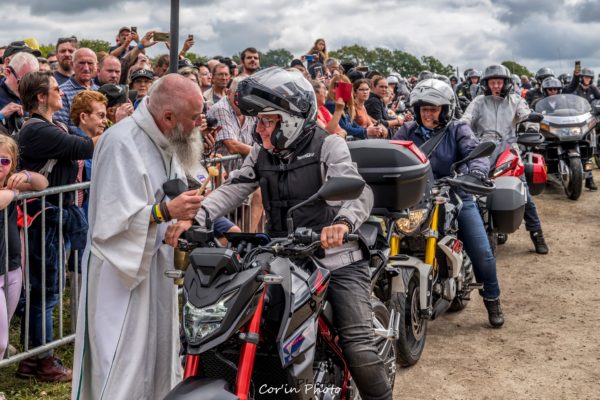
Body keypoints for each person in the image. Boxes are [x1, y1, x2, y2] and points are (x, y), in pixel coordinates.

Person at [165, 66, 392, 400]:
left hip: (335, 258)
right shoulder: (261, 154)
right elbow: (233, 189)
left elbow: (359, 192)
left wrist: (342, 224)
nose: (258, 129)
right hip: (282, 258)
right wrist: (194, 218)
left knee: (358, 346)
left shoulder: (329, 145)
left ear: (291, 120)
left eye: (267, 121)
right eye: (258, 121)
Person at [71, 74, 205, 399]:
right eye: (194, 117)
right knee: (123, 359)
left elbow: (172, 188)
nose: (199, 124)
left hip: (154, 262)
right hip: (121, 273)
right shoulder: (121, 143)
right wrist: (166, 212)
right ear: (169, 117)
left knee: (158, 354)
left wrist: (183, 213)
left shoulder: (167, 138)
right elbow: (110, 222)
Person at [393, 78, 504, 328]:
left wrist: (476, 172)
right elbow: (393, 153)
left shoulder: (457, 129)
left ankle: (492, 299)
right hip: (416, 197)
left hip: (454, 193)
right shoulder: (408, 131)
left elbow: (474, 152)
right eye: (424, 109)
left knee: (482, 253)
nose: (428, 114)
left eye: (433, 109)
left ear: (446, 109)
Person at [16, 71, 95, 382]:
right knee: (46, 292)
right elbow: (85, 147)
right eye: (54, 89)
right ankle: (44, 361)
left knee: (45, 290)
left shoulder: (48, 126)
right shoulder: (37, 130)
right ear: (40, 97)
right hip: (43, 219)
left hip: (52, 216)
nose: (60, 93)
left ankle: (31, 360)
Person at [462, 64, 549, 255]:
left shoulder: (516, 100)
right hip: (482, 154)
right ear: (486, 84)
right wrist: (460, 129)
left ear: (506, 83)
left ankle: (537, 234)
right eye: (492, 82)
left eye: (499, 82)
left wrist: (531, 124)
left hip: (508, 154)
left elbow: (525, 115)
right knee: (471, 195)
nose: (496, 86)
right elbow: (466, 119)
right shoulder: (478, 102)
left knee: (524, 195)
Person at [0, 135, 48, 367]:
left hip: (12, 267)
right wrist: (14, 194)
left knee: (5, 326)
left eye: (5, 161)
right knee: (0, 341)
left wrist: (27, 176)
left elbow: (43, 184)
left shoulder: (11, 183)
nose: (0, 165)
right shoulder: (10, 191)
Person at [563, 66, 600, 190]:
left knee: (588, 152)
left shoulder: (593, 89)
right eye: (585, 77)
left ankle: (589, 179)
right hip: (573, 122)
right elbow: (569, 89)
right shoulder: (575, 88)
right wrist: (575, 76)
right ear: (581, 78)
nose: (587, 79)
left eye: (589, 77)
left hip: (588, 124)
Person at [0, 52, 39, 136]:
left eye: (32, 82)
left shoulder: (35, 96)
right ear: (8, 72)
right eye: (22, 81)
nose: (28, 87)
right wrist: (1, 114)